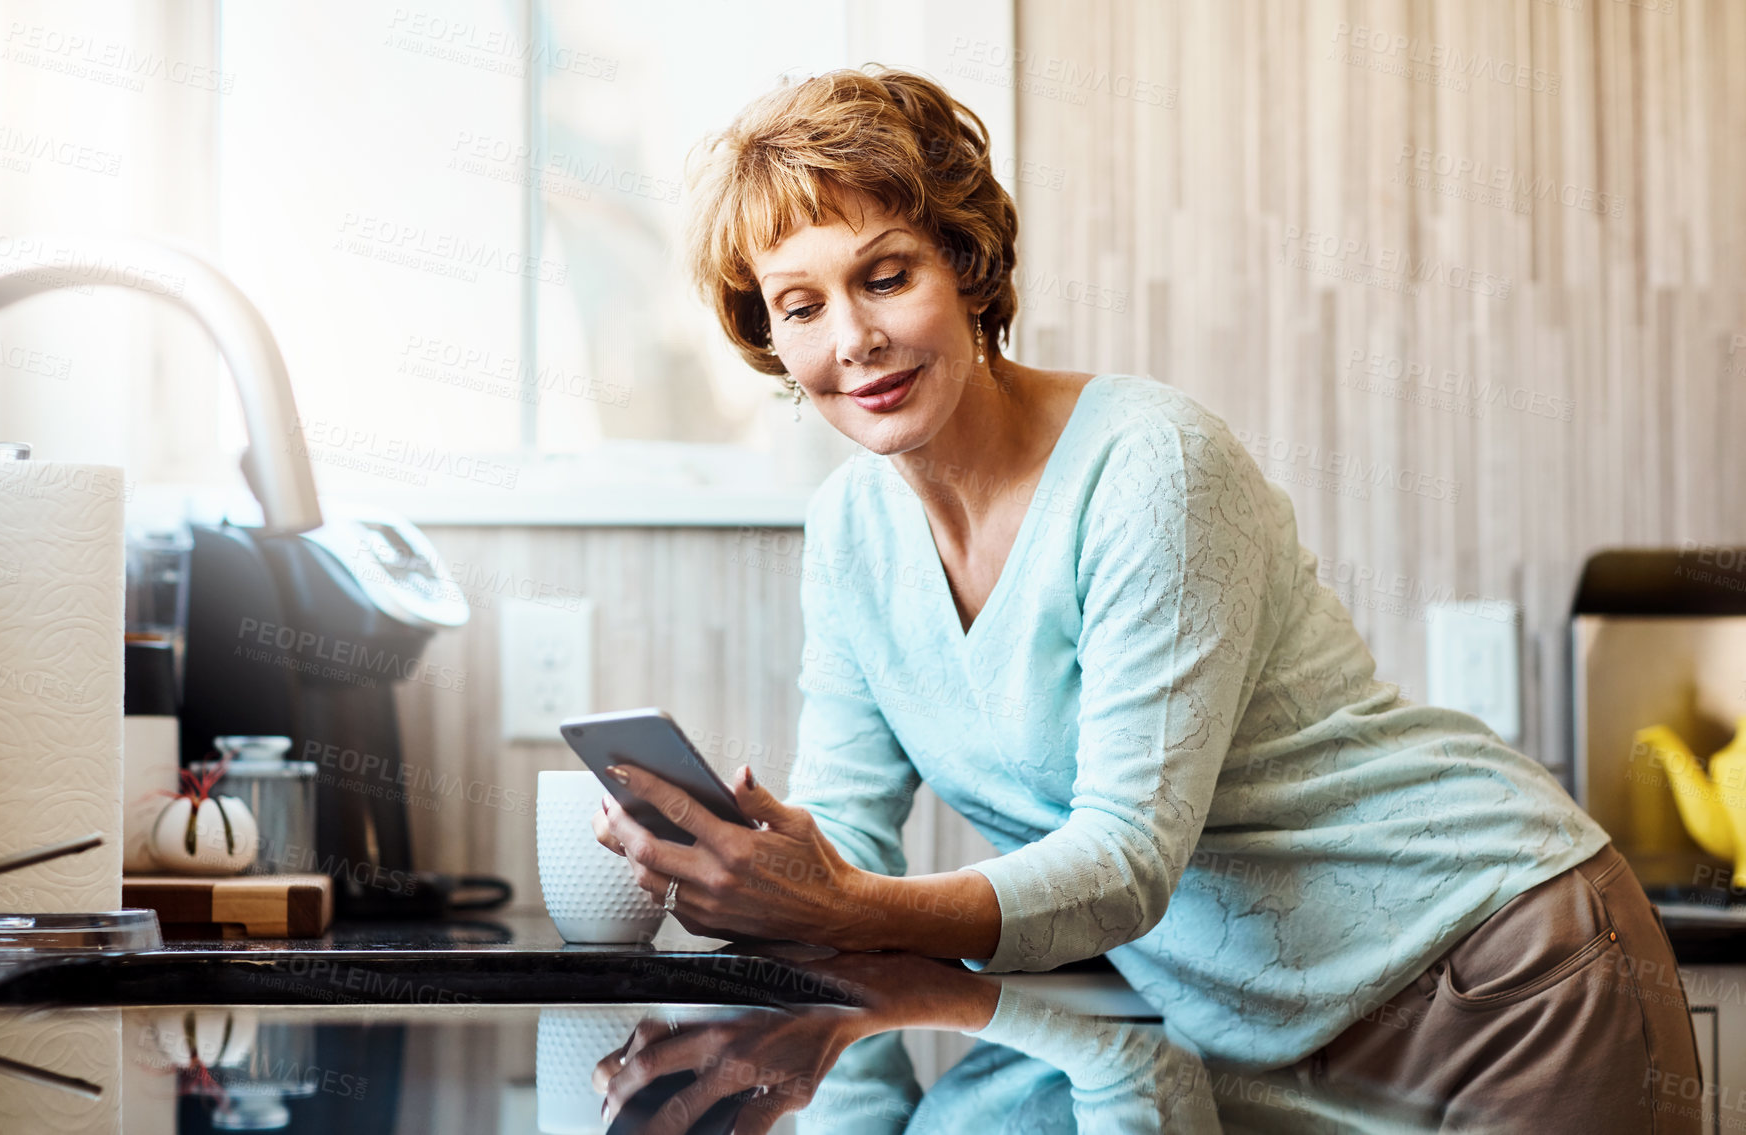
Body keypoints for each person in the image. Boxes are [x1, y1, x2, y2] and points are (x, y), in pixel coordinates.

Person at [594, 65, 1700, 1130]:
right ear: (771, 340)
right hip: (1246, 1027)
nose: (852, 341)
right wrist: (745, 868)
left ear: (970, 268)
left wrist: (830, 899)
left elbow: (1122, 866)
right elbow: (847, 838)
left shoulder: (1149, 466)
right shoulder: (846, 535)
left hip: (1497, 969)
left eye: (885, 276)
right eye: (800, 306)